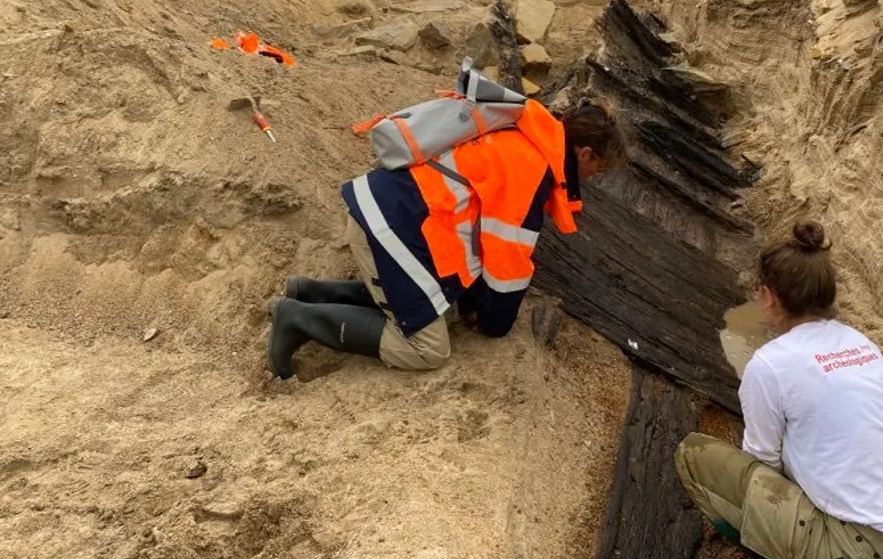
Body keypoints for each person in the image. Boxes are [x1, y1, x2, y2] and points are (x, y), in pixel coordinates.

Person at [674, 221, 883, 559]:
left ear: (768, 297)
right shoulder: (858, 341)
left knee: (693, 454)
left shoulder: (769, 364)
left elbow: (761, 463)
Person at [266, 97, 627, 378]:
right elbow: (507, 268)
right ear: (584, 153)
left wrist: (470, 303)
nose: (596, 176)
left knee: (439, 304)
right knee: (428, 349)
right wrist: (492, 324)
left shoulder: (526, 136)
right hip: (392, 228)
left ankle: (312, 292)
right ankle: (298, 318)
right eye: (599, 168)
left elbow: (483, 233)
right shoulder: (533, 171)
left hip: (397, 212)